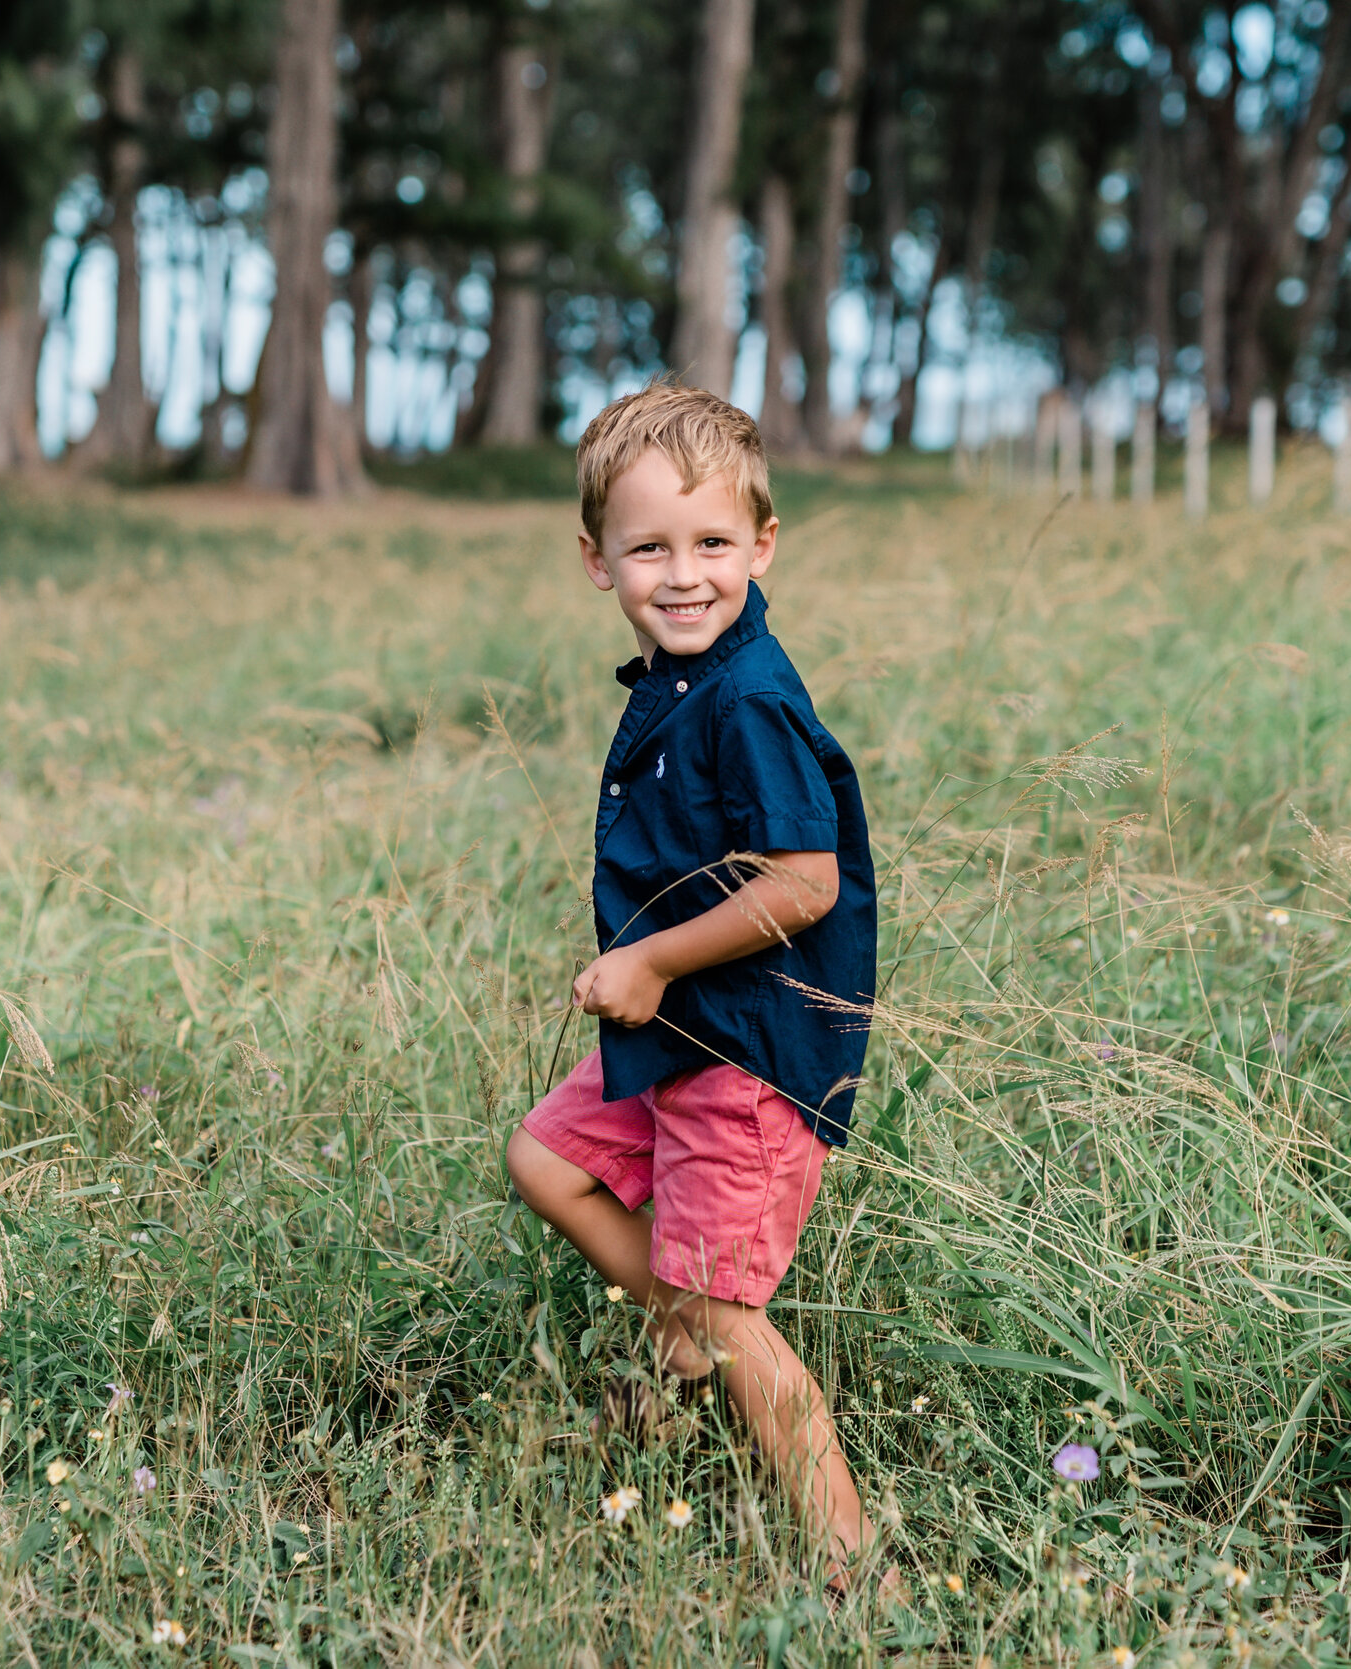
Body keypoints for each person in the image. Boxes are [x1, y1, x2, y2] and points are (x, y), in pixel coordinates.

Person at [503, 382, 882, 1596]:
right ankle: (676, 1330)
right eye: (649, 547)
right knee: (548, 1158)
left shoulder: (749, 697)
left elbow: (806, 882)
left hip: (748, 1051)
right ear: (594, 558)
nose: (682, 574)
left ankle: (847, 1557)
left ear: (761, 544)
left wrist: (654, 957)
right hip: (681, 1035)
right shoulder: (680, 678)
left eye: (712, 543)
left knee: (730, 1315)